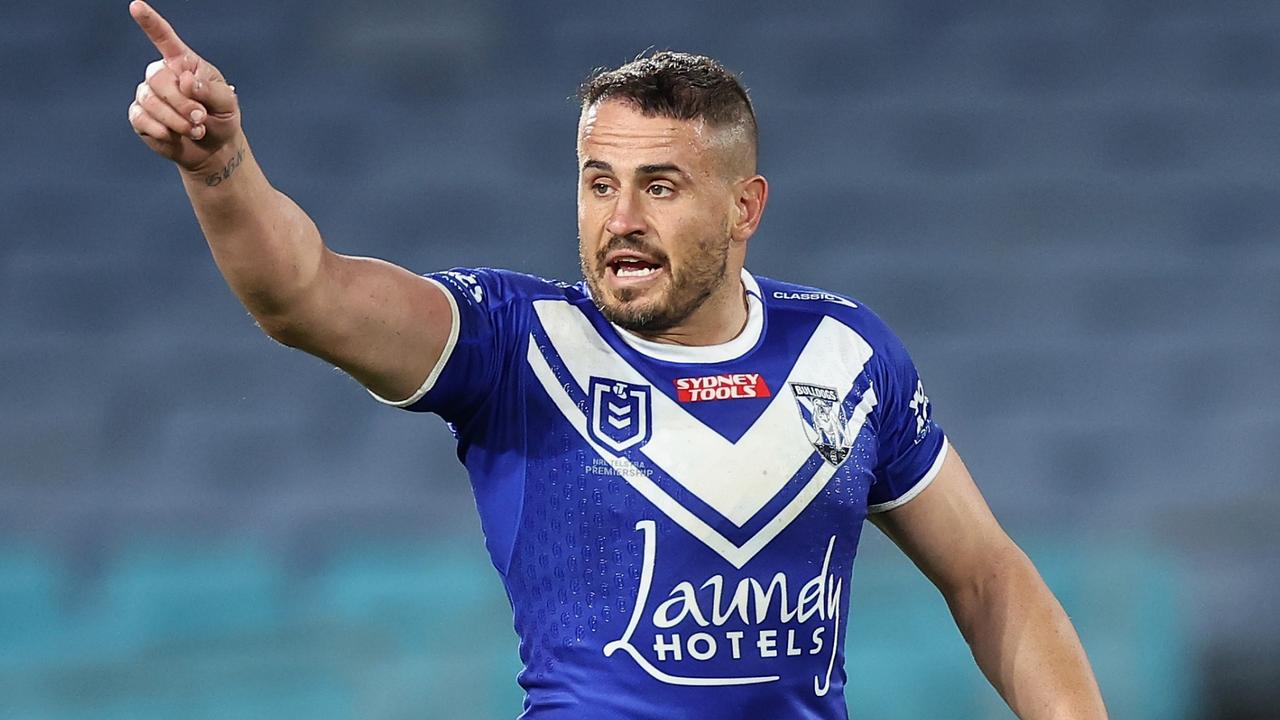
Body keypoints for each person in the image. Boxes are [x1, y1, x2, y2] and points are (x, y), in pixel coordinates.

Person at [126, 2, 1108, 717]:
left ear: (743, 208)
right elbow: (304, 295)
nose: (621, 221)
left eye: (660, 185)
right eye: (598, 183)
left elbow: (987, 579)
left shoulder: (846, 355)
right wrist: (220, 167)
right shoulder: (514, 346)